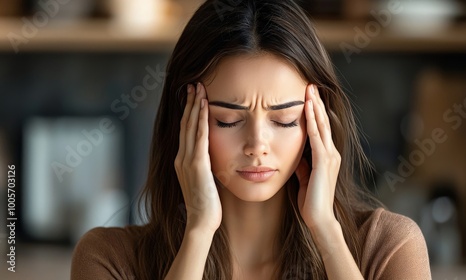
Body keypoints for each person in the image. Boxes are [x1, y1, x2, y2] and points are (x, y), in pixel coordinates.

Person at [71, 0, 431, 279]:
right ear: (183, 121)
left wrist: (326, 231)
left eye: (285, 119)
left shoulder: (389, 248)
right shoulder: (108, 259)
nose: (257, 144)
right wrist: (198, 233)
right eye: (228, 120)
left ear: (316, 122)